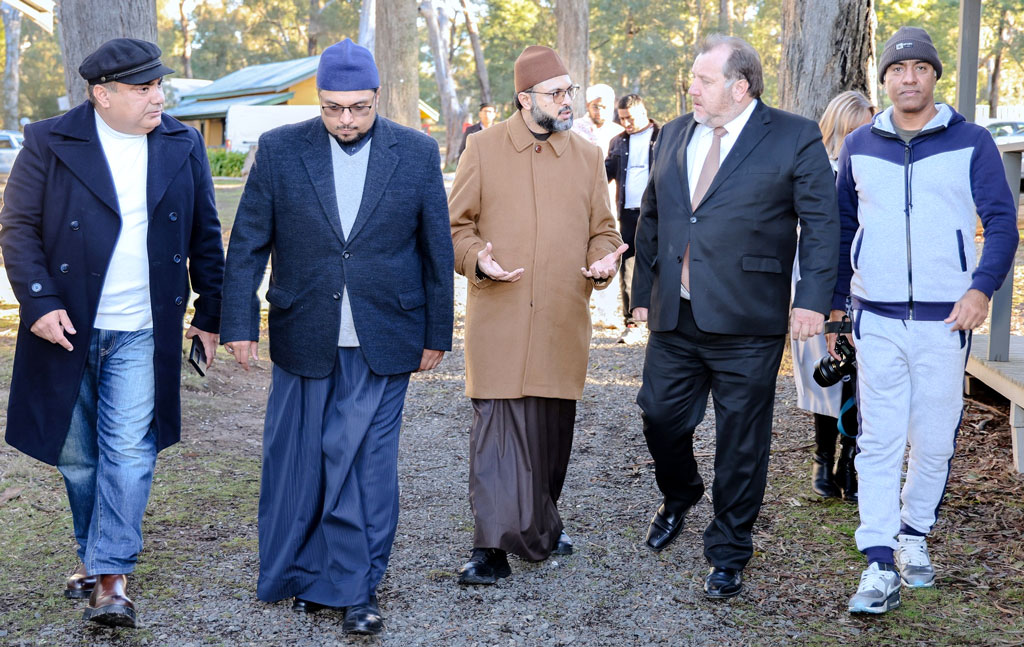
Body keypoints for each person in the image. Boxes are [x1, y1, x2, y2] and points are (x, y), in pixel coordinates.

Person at [220, 39, 454, 635]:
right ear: (320, 102)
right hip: (305, 332)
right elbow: (247, 243)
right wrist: (240, 324)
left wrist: (438, 332)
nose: (345, 119)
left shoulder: (418, 151)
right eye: (332, 108)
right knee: (299, 462)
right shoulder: (279, 150)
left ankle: (355, 589)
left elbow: (436, 249)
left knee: (363, 464)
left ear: (378, 96)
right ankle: (306, 573)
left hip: (387, 335)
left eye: (358, 107)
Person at [0, 38, 224, 628]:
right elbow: (17, 228)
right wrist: (40, 303)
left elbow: (205, 231)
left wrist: (210, 312)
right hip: (66, 327)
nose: (159, 96)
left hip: (143, 328)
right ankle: (95, 556)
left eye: (158, 85)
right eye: (144, 88)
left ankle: (110, 576)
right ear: (103, 96)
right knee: (78, 460)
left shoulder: (182, 141)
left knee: (129, 450)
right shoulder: (49, 140)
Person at [630, 34, 838, 600]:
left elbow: (822, 224)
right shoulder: (673, 134)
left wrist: (813, 300)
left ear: (739, 86)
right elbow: (653, 216)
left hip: (750, 321)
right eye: (692, 79)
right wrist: (643, 291)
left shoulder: (793, 135)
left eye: (702, 79)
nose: (690, 88)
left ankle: (728, 550)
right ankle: (680, 493)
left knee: (741, 441)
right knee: (658, 416)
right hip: (677, 315)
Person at [837, 27, 1018, 615]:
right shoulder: (860, 144)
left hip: (947, 320)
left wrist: (980, 289)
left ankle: (915, 534)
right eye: (897, 69)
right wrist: (838, 298)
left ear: (934, 75)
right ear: (883, 79)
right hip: (879, 317)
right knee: (879, 438)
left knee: (934, 439)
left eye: (919, 67)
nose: (908, 78)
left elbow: (1001, 221)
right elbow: (842, 228)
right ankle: (879, 559)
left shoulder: (973, 142)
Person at [449, 45, 626, 585]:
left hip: (560, 318)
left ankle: (543, 519)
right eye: (556, 93)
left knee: (551, 437)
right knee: (498, 437)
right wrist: (477, 257)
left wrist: (603, 261)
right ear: (525, 100)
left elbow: (605, 229)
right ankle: (490, 548)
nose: (567, 100)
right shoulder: (480, 148)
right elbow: (455, 227)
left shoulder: (588, 156)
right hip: (499, 317)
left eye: (569, 90)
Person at [794, 90, 874, 501]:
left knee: (859, 372)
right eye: (853, 132)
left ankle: (850, 458)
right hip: (819, 278)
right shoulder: (815, 168)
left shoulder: (872, 168)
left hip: (866, 278)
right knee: (827, 370)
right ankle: (823, 457)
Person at [605, 94, 659, 344]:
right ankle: (633, 321)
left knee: (661, 264)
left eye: (630, 118)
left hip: (659, 213)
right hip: (627, 213)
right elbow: (604, 174)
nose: (626, 123)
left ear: (643, 111)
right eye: (622, 118)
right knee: (628, 266)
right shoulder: (617, 142)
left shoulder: (664, 136)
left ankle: (659, 319)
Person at [572, 83, 624, 157]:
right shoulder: (573, 128)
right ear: (587, 105)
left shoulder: (618, 132)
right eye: (595, 107)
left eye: (604, 107)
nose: (599, 112)